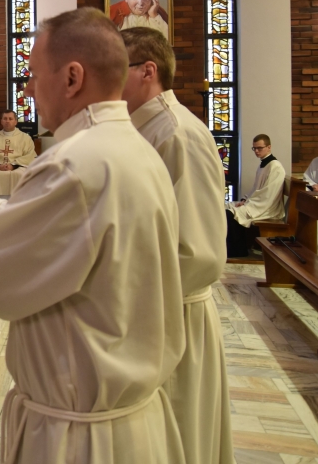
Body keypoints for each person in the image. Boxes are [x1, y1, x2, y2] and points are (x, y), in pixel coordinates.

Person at [0, 8, 186, 464]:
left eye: (34, 75)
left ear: (72, 78)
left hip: (80, 441)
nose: (27, 89)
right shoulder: (130, 147)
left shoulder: (74, 164)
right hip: (127, 424)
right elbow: (74, 238)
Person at [120, 27, 233, 464]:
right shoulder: (140, 129)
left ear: (148, 71)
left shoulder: (177, 133)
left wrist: (119, 293)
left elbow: (199, 252)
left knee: (179, 440)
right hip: (149, 312)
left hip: (173, 316)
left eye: (117, 69)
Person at [226, 134, 286, 258]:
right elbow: (256, 188)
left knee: (231, 214)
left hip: (268, 207)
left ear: (269, 147)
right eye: (254, 148)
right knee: (227, 206)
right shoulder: (263, 165)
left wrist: (248, 204)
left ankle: (239, 251)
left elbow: (268, 194)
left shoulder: (275, 167)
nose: (256, 151)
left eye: (260, 148)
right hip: (258, 202)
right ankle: (233, 248)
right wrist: (244, 199)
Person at [0, 110, 37, 196]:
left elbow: (29, 156)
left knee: (20, 174)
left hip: (18, 167)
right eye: (5, 119)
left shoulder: (25, 138)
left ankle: (18, 201)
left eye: (10, 119)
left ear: (15, 122)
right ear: (1, 121)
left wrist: (13, 165)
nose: (7, 121)